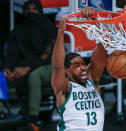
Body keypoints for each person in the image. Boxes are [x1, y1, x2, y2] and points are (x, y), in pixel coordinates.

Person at [3, 0, 57, 129]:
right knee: (1, 77)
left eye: (34, 10)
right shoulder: (18, 31)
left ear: (40, 12)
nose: (31, 13)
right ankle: (3, 113)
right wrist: (7, 69)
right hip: (23, 67)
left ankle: (32, 119)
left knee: (34, 75)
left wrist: (27, 68)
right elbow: (11, 54)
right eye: (27, 10)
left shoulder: (49, 28)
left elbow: (47, 56)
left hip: (49, 65)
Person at [51, 8, 107, 131]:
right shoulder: (64, 88)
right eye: (76, 65)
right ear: (67, 71)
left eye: (83, 63)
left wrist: (94, 21)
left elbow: (101, 49)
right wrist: (60, 32)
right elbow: (57, 65)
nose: (82, 67)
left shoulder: (92, 80)